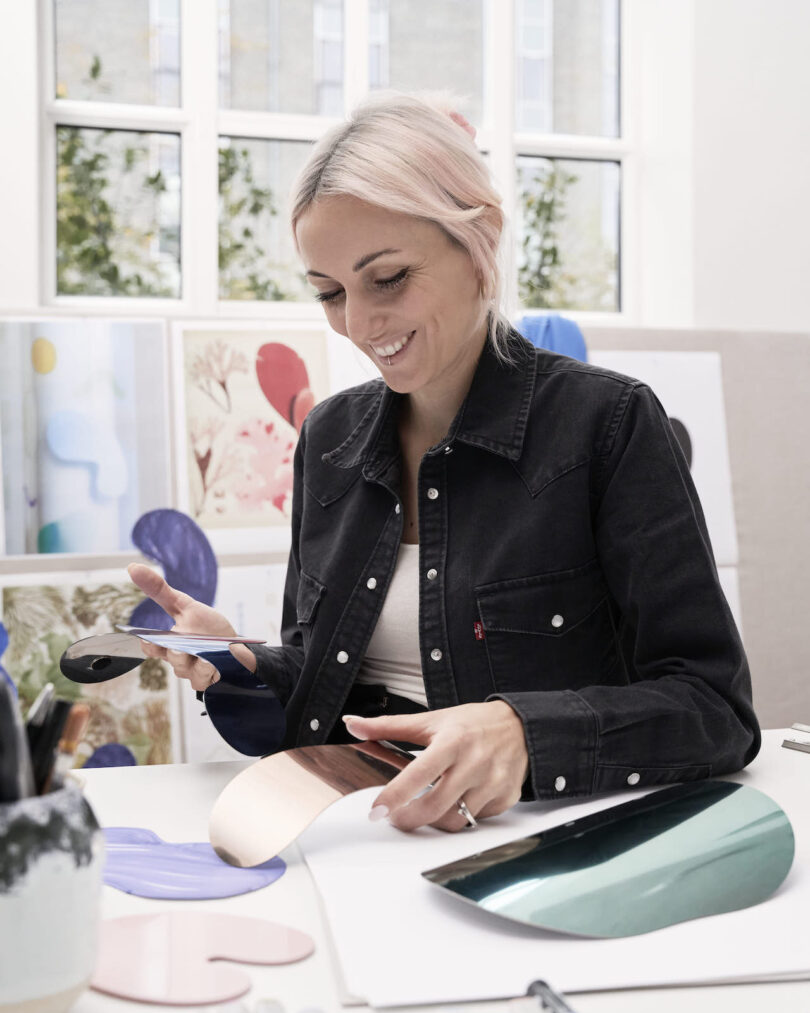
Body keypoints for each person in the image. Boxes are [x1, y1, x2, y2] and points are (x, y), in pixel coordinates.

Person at [129, 91, 760, 835]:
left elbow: (714, 707)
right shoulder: (329, 437)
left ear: (480, 237)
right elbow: (321, 685)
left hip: (537, 848)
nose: (359, 324)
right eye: (329, 292)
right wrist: (239, 663)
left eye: (388, 278)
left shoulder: (607, 425)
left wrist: (522, 732)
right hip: (351, 835)